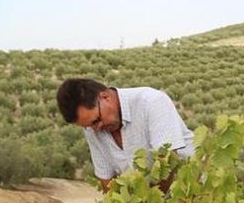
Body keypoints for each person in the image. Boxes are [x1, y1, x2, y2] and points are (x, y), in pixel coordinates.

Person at [56, 78, 195, 193]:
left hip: (194, 192)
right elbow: (107, 179)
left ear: (104, 97)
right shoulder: (92, 129)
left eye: (96, 121)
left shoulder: (151, 102)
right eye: (89, 127)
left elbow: (167, 162)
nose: (96, 129)